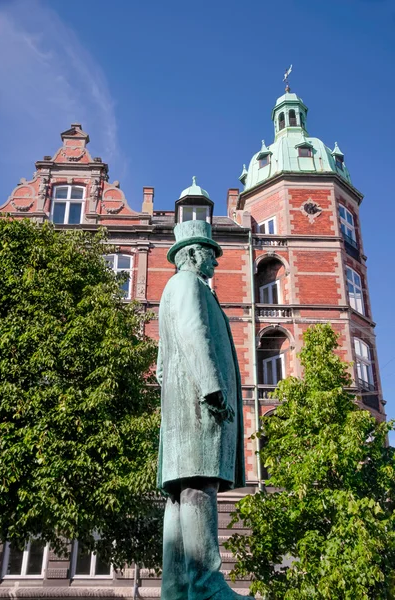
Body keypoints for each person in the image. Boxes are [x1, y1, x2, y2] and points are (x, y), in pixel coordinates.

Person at [156, 219, 251, 600]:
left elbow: (162, 365)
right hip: (196, 404)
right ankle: (207, 585)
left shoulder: (171, 290)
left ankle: (177, 589)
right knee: (198, 486)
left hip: (182, 406)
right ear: (193, 253)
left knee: (182, 495)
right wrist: (212, 387)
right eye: (210, 254)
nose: (215, 262)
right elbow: (197, 332)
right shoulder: (189, 284)